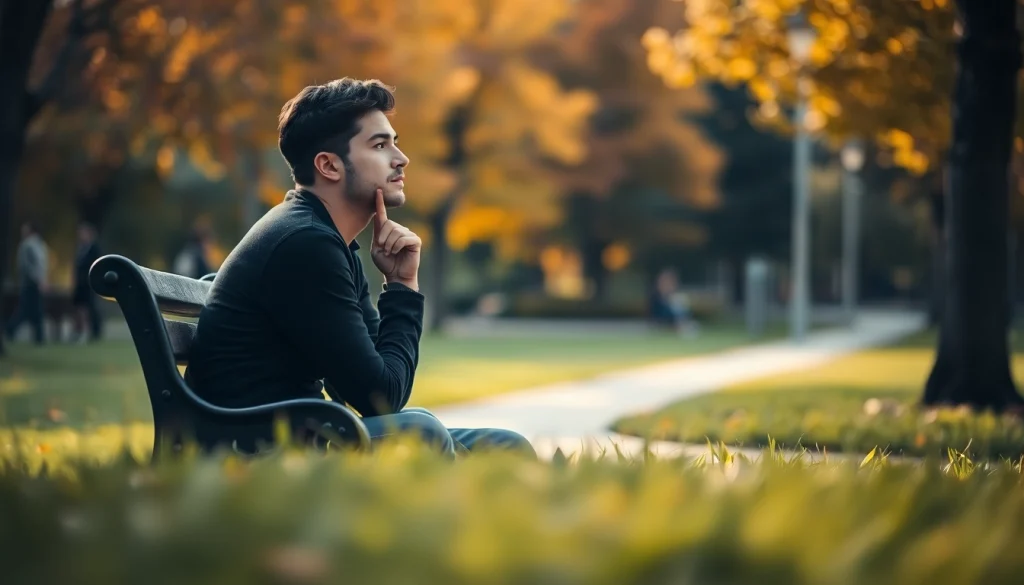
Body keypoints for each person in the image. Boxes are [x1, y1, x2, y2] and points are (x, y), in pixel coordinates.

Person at [184, 78, 535, 459]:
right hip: (255, 446)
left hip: (303, 430)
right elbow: (380, 400)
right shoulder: (304, 243)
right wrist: (402, 287)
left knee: (505, 446)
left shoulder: (330, 243)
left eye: (394, 143)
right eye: (381, 145)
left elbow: (379, 389)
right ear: (329, 165)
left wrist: (399, 284)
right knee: (421, 431)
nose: (401, 158)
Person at [5, 221, 48, 345]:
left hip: (32, 282)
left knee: (30, 310)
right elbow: (32, 266)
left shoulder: (30, 245)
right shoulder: (34, 245)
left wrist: (40, 280)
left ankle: (13, 330)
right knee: (30, 310)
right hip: (32, 282)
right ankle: (37, 337)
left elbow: (33, 266)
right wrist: (41, 280)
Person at [71, 222, 103, 343]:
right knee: (78, 307)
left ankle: (88, 331)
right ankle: (78, 330)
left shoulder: (94, 249)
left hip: (88, 282)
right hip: (79, 282)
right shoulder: (80, 248)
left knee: (87, 308)